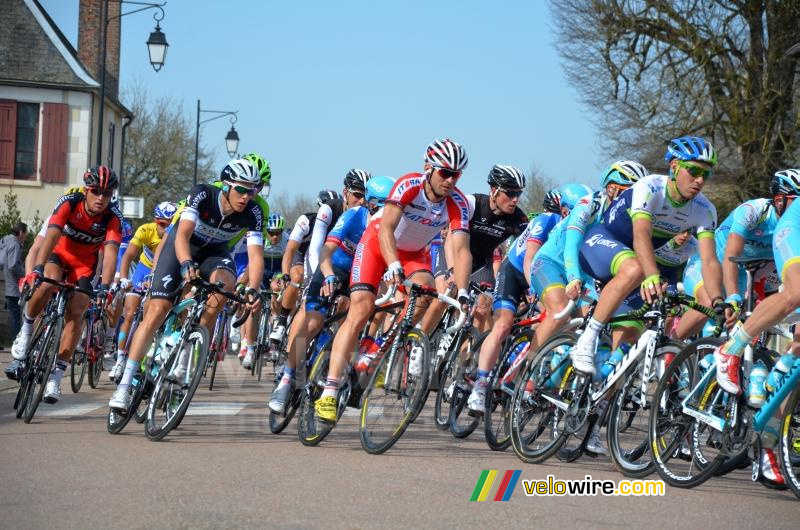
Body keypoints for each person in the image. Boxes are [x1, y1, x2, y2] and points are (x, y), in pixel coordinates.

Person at [314, 138, 473, 423]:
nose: (450, 180)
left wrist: (462, 291)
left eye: (456, 175)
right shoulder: (409, 185)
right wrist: (393, 264)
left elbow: (461, 250)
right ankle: (329, 390)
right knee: (361, 309)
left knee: (425, 295)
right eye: (445, 173)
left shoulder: (457, 203)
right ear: (428, 168)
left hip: (414, 255)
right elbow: (386, 228)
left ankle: (377, 348)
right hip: (378, 245)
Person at [108, 159, 265, 411]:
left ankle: (186, 348)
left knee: (224, 287)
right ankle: (125, 384)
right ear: (226, 186)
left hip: (215, 253)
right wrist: (185, 263)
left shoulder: (254, 212)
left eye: (252, 190)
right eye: (241, 189)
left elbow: (256, 257)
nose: (246, 196)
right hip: (181, 247)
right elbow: (181, 234)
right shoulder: (202, 194)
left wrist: (254, 290)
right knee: (157, 309)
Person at [571, 136, 727, 376]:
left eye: (705, 175)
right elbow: (641, 235)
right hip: (603, 243)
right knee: (635, 269)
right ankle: (587, 338)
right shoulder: (651, 187)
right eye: (694, 170)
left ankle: (603, 402)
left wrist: (717, 300)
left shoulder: (705, 210)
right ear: (674, 166)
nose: (699, 180)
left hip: (637, 259)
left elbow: (709, 260)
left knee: (630, 345)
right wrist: (651, 274)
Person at [268, 176, 395, 413]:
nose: (389, 213)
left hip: (359, 274)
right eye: (384, 206)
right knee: (313, 321)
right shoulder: (353, 216)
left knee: (355, 314)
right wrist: (326, 275)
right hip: (332, 266)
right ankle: (286, 379)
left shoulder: (390, 227)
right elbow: (325, 250)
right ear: (371, 203)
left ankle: (332, 370)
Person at [465, 182, 590, 414]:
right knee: (502, 325)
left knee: (563, 323)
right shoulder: (546, 221)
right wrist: (535, 291)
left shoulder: (582, 231)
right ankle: (480, 386)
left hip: (546, 275)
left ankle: (525, 377)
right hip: (515, 271)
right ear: (564, 211)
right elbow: (528, 259)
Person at [5, 166, 123, 406]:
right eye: (96, 191)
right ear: (86, 190)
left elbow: (110, 255)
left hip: (83, 266)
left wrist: (105, 286)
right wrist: (37, 268)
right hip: (59, 255)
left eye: (107, 193)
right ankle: (26, 332)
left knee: (77, 312)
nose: (101, 198)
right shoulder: (69, 202)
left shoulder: (112, 218)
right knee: (47, 284)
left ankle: (56, 377)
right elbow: (50, 237)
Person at [713, 169, 800, 487]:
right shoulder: (754, 211)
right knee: (792, 294)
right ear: (780, 200)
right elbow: (730, 254)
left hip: (765, 265)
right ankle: (727, 350)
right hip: (729, 262)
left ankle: (772, 396)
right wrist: (732, 297)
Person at [421, 165, 529, 336]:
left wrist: (526, 287)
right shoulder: (473, 203)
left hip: (481, 262)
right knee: (446, 294)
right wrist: (452, 270)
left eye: (518, 194)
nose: (515, 199)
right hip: (453, 253)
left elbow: (528, 252)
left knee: (483, 307)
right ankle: (417, 344)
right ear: (494, 190)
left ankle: (462, 361)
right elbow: (450, 239)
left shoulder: (518, 219)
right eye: (510, 193)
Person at [107, 201, 177, 381]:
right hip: (143, 270)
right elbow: (128, 255)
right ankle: (120, 357)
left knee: (149, 317)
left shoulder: (177, 235)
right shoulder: (146, 230)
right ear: (155, 221)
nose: (164, 228)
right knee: (129, 314)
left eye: (170, 224)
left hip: (163, 272)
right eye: (161, 224)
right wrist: (124, 278)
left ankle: (142, 358)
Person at [1, 222, 28, 339]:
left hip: (6, 283)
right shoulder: (15, 244)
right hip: (13, 287)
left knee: (11, 315)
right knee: (15, 316)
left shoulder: (4, 241)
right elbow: (13, 265)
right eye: (26, 234)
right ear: (21, 232)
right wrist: (26, 273)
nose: (26, 237)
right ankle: (15, 342)